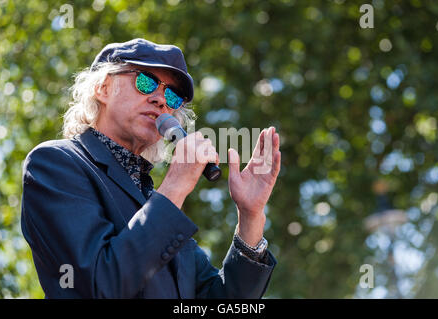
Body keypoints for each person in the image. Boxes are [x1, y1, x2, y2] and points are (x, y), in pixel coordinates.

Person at [21, 38, 281, 298]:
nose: (160, 100)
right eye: (145, 82)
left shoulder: (153, 202)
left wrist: (250, 217)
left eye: (172, 96)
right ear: (103, 87)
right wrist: (176, 185)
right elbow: (99, 285)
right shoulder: (55, 163)